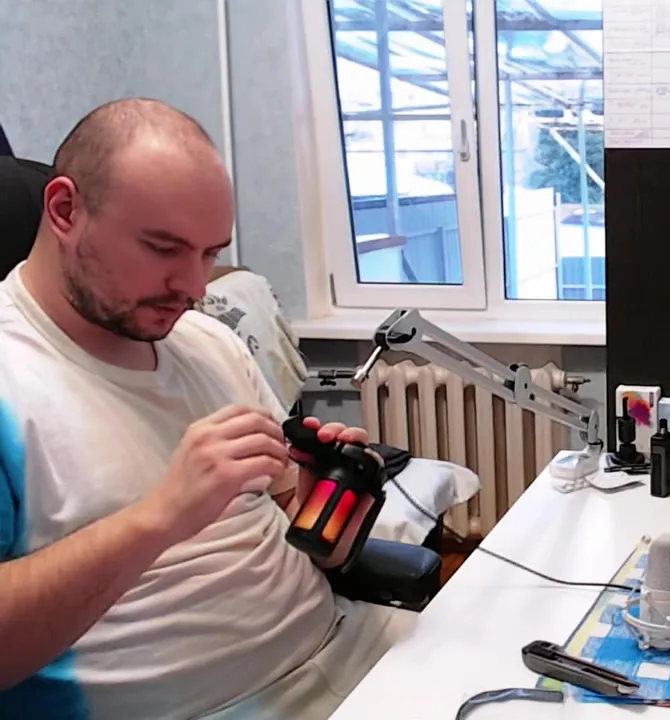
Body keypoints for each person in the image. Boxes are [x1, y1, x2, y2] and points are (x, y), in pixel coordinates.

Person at [0, 98, 414, 719]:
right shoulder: (11, 382)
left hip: (344, 653)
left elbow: (299, 535)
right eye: (163, 248)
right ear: (64, 210)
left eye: (209, 254)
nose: (194, 288)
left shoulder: (207, 341)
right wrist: (161, 517)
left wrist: (325, 508)